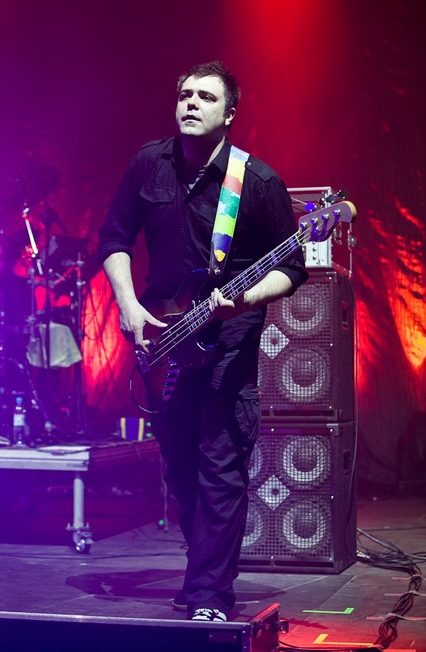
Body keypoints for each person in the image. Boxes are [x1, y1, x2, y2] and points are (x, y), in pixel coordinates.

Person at [99, 61, 308, 622]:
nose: (190, 103)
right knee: (180, 465)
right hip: (165, 340)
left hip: (228, 343)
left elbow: (292, 267)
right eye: (185, 94)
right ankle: (202, 574)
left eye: (206, 97)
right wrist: (128, 304)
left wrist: (244, 298)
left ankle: (211, 594)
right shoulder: (150, 163)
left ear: (230, 113)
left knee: (220, 465)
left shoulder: (257, 182)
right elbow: (114, 238)